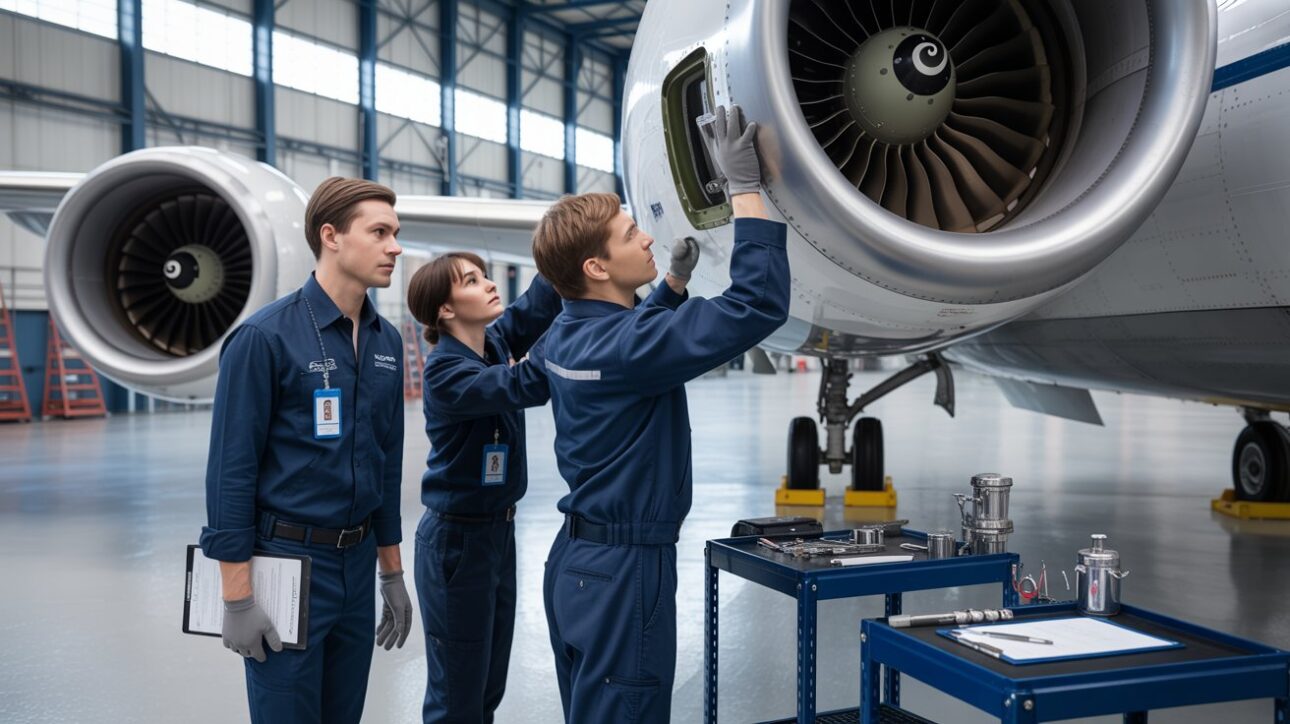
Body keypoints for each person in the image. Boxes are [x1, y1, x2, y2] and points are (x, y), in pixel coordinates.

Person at [527, 104, 790, 723]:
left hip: (577, 564)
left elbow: (626, 341)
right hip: (625, 573)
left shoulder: (564, 337)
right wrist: (746, 190)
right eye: (628, 235)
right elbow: (756, 305)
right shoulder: (624, 349)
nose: (645, 235)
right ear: (595, 268)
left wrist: (670, 285)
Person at [404, 241, 700, 723]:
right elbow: (528, 383)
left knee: (487, 684)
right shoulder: (445, 373)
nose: (491, 283)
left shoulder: (494, 343)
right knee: (457, 691)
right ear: (446, 308)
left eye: (485, 273)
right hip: (456, 544)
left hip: (497, 534)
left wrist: (575, 241)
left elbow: (543, 297)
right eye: (473, 281)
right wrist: (583, 332)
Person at [199, 177, 415, 724]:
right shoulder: (265, 338)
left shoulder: (388, 344)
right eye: (381, 232)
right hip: (286, 566)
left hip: (357, 563)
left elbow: (384, 469)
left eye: (396, 233)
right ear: (332, 236)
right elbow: (230, 472)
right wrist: (237, 597)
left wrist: (391, 572)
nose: (396, 247)